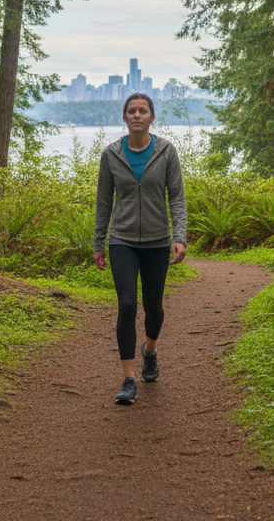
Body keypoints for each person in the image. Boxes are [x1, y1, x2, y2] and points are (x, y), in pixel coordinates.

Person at [93, 93, 187, 405]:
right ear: (124, 117)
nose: (137, 115)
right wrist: (99, 244)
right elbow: (104, 203)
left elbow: (176, 197)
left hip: (158, 241)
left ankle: (150, 352)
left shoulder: (166, 151)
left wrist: (180, 236)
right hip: (122, 240)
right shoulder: (111, 154)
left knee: (154, 308)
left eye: (142, 111)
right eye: (131, 111)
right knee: (127, 306)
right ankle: (128, 379)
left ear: (151, 117)